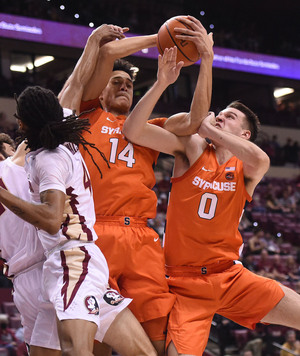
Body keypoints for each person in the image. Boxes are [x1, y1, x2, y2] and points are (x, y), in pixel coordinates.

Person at [122, 46, 300, 356]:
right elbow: (133, 130)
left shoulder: (247, 165)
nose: (217, 118)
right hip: (184, 283)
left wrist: (206, 125)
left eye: (228, 117)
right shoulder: (191, 148)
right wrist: (175, 79)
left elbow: (260, 158)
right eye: (217, 115)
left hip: (231, 277)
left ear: (244, 134)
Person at [59, 16, 213, 355]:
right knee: (99, 340)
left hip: (142, 238)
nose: (125, 85)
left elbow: (196, 120)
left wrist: (206, 61)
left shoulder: (149, 127)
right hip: (94, 234)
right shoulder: (86, 114)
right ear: (98, 91)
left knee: (158, 341)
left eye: (129, 82)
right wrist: (159, 39)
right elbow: (107, 53)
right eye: (116, 81)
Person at [0, 86, 156, 356]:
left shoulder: (49, 159)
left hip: (71, 262)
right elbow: (77, 82)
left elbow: (51, 219)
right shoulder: (62, 144)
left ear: (23, 123)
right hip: (76, 261)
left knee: (77, 351)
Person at [0, 140, 61, 356]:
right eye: (9, 147)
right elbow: (35, 134)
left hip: (21, 281)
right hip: (48, 264)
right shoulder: (11, 166)